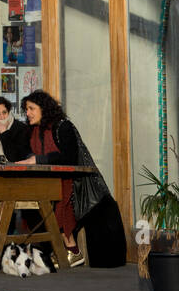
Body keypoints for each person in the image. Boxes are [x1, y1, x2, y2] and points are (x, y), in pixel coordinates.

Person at [18, 89, 126, 268]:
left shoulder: (62, 127)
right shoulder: (32, 132)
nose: (27, 113)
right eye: (26, 109)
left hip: (74, 182)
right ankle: (58, 250)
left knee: (60, 201)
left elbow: (70, 158)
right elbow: (26, 151)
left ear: (43, 108)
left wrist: (38, 159)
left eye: (31, 108)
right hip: (46, 182)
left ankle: (72, 250)